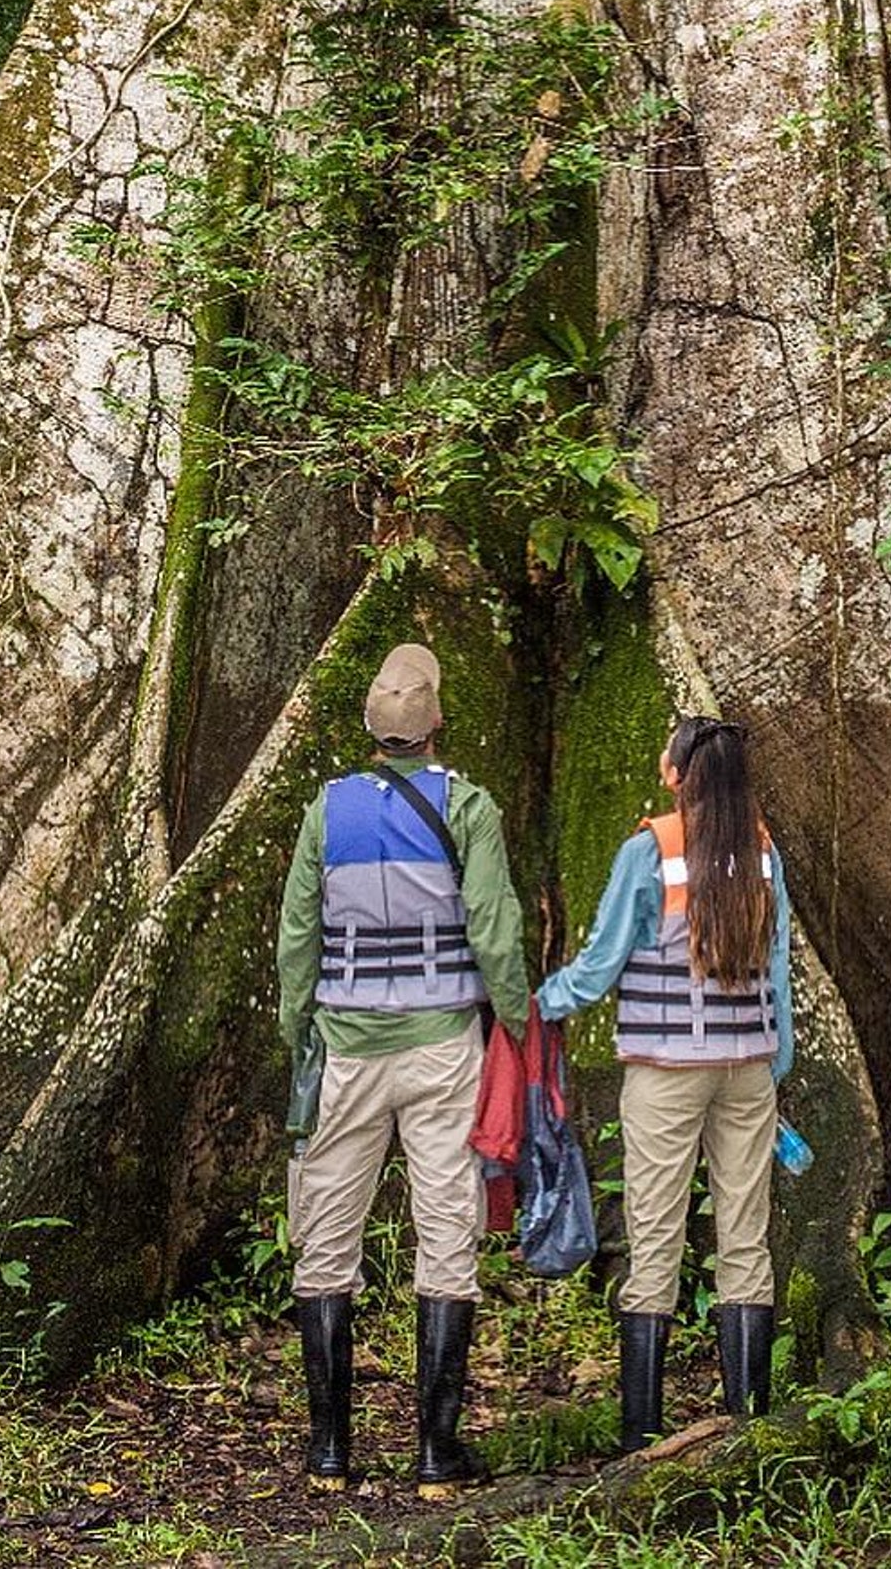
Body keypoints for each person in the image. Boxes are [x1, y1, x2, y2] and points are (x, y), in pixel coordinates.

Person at [275, 641, 530, 1498]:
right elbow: (494, 925)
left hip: (348, 1052)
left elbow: (297, 939)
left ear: (371, 729)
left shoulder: (327, 811)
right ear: (436, 726)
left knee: (328, 1238)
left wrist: (298, 1030)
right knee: (445, 1231)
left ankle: (329, 1451)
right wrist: (519, 1023)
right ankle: (435, 1453)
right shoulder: (469, 807)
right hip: (441, 1050)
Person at [535, 715, 792, 1450]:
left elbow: (603, 958)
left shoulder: (651, 850)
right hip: (747, 1071)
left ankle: (642, 1437)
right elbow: (778, 972)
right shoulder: (765, 853)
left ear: (678, 773)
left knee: (655, 1242)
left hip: (667, 1074)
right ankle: (749, 1432)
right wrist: (777, 1062)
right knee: (746, 1241)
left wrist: (542, 1004)